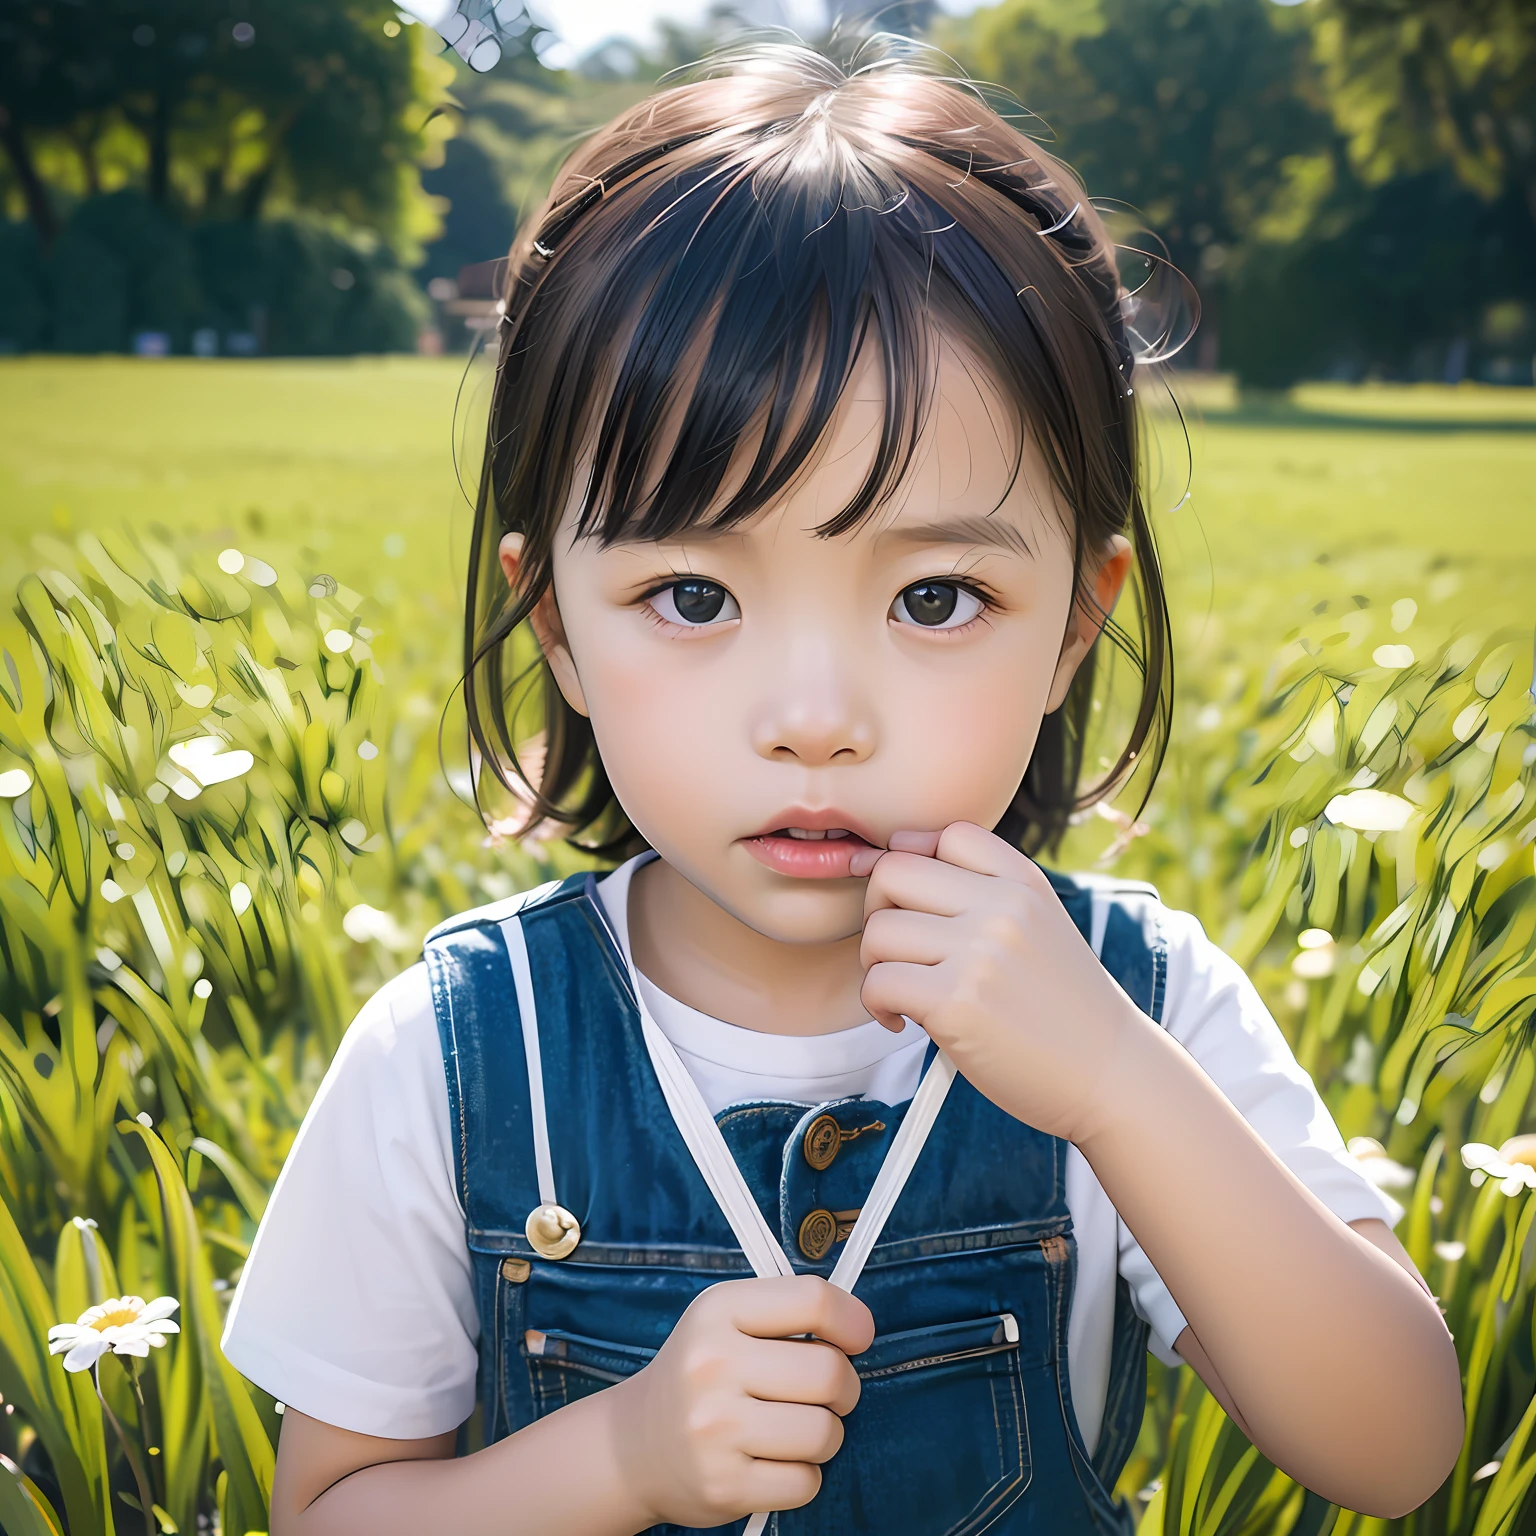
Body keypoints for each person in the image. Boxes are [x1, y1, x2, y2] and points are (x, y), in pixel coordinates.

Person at [222, 37, 1464, 1536]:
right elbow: (328, 1514)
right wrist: (614, 1462)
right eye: (693, 595)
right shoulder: (453, 1055)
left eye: (935, 600)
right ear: (552, 617)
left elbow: (1395, 1450)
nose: (814, 721)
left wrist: (1120, 1088)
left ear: (1078, 621)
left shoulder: (1141, 1004)